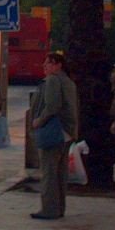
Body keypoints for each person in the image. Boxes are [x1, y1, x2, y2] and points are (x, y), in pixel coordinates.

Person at [30, 51, 78, 220]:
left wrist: (39, 121)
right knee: (60, 173)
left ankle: (49, 209)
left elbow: (51, 106)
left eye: (49, 63)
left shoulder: (52, 80)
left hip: (53, 132)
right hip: (66, 132)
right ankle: (59, 207)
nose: (45, 66)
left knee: (49, 172)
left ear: (59, 65)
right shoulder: (68, 82)